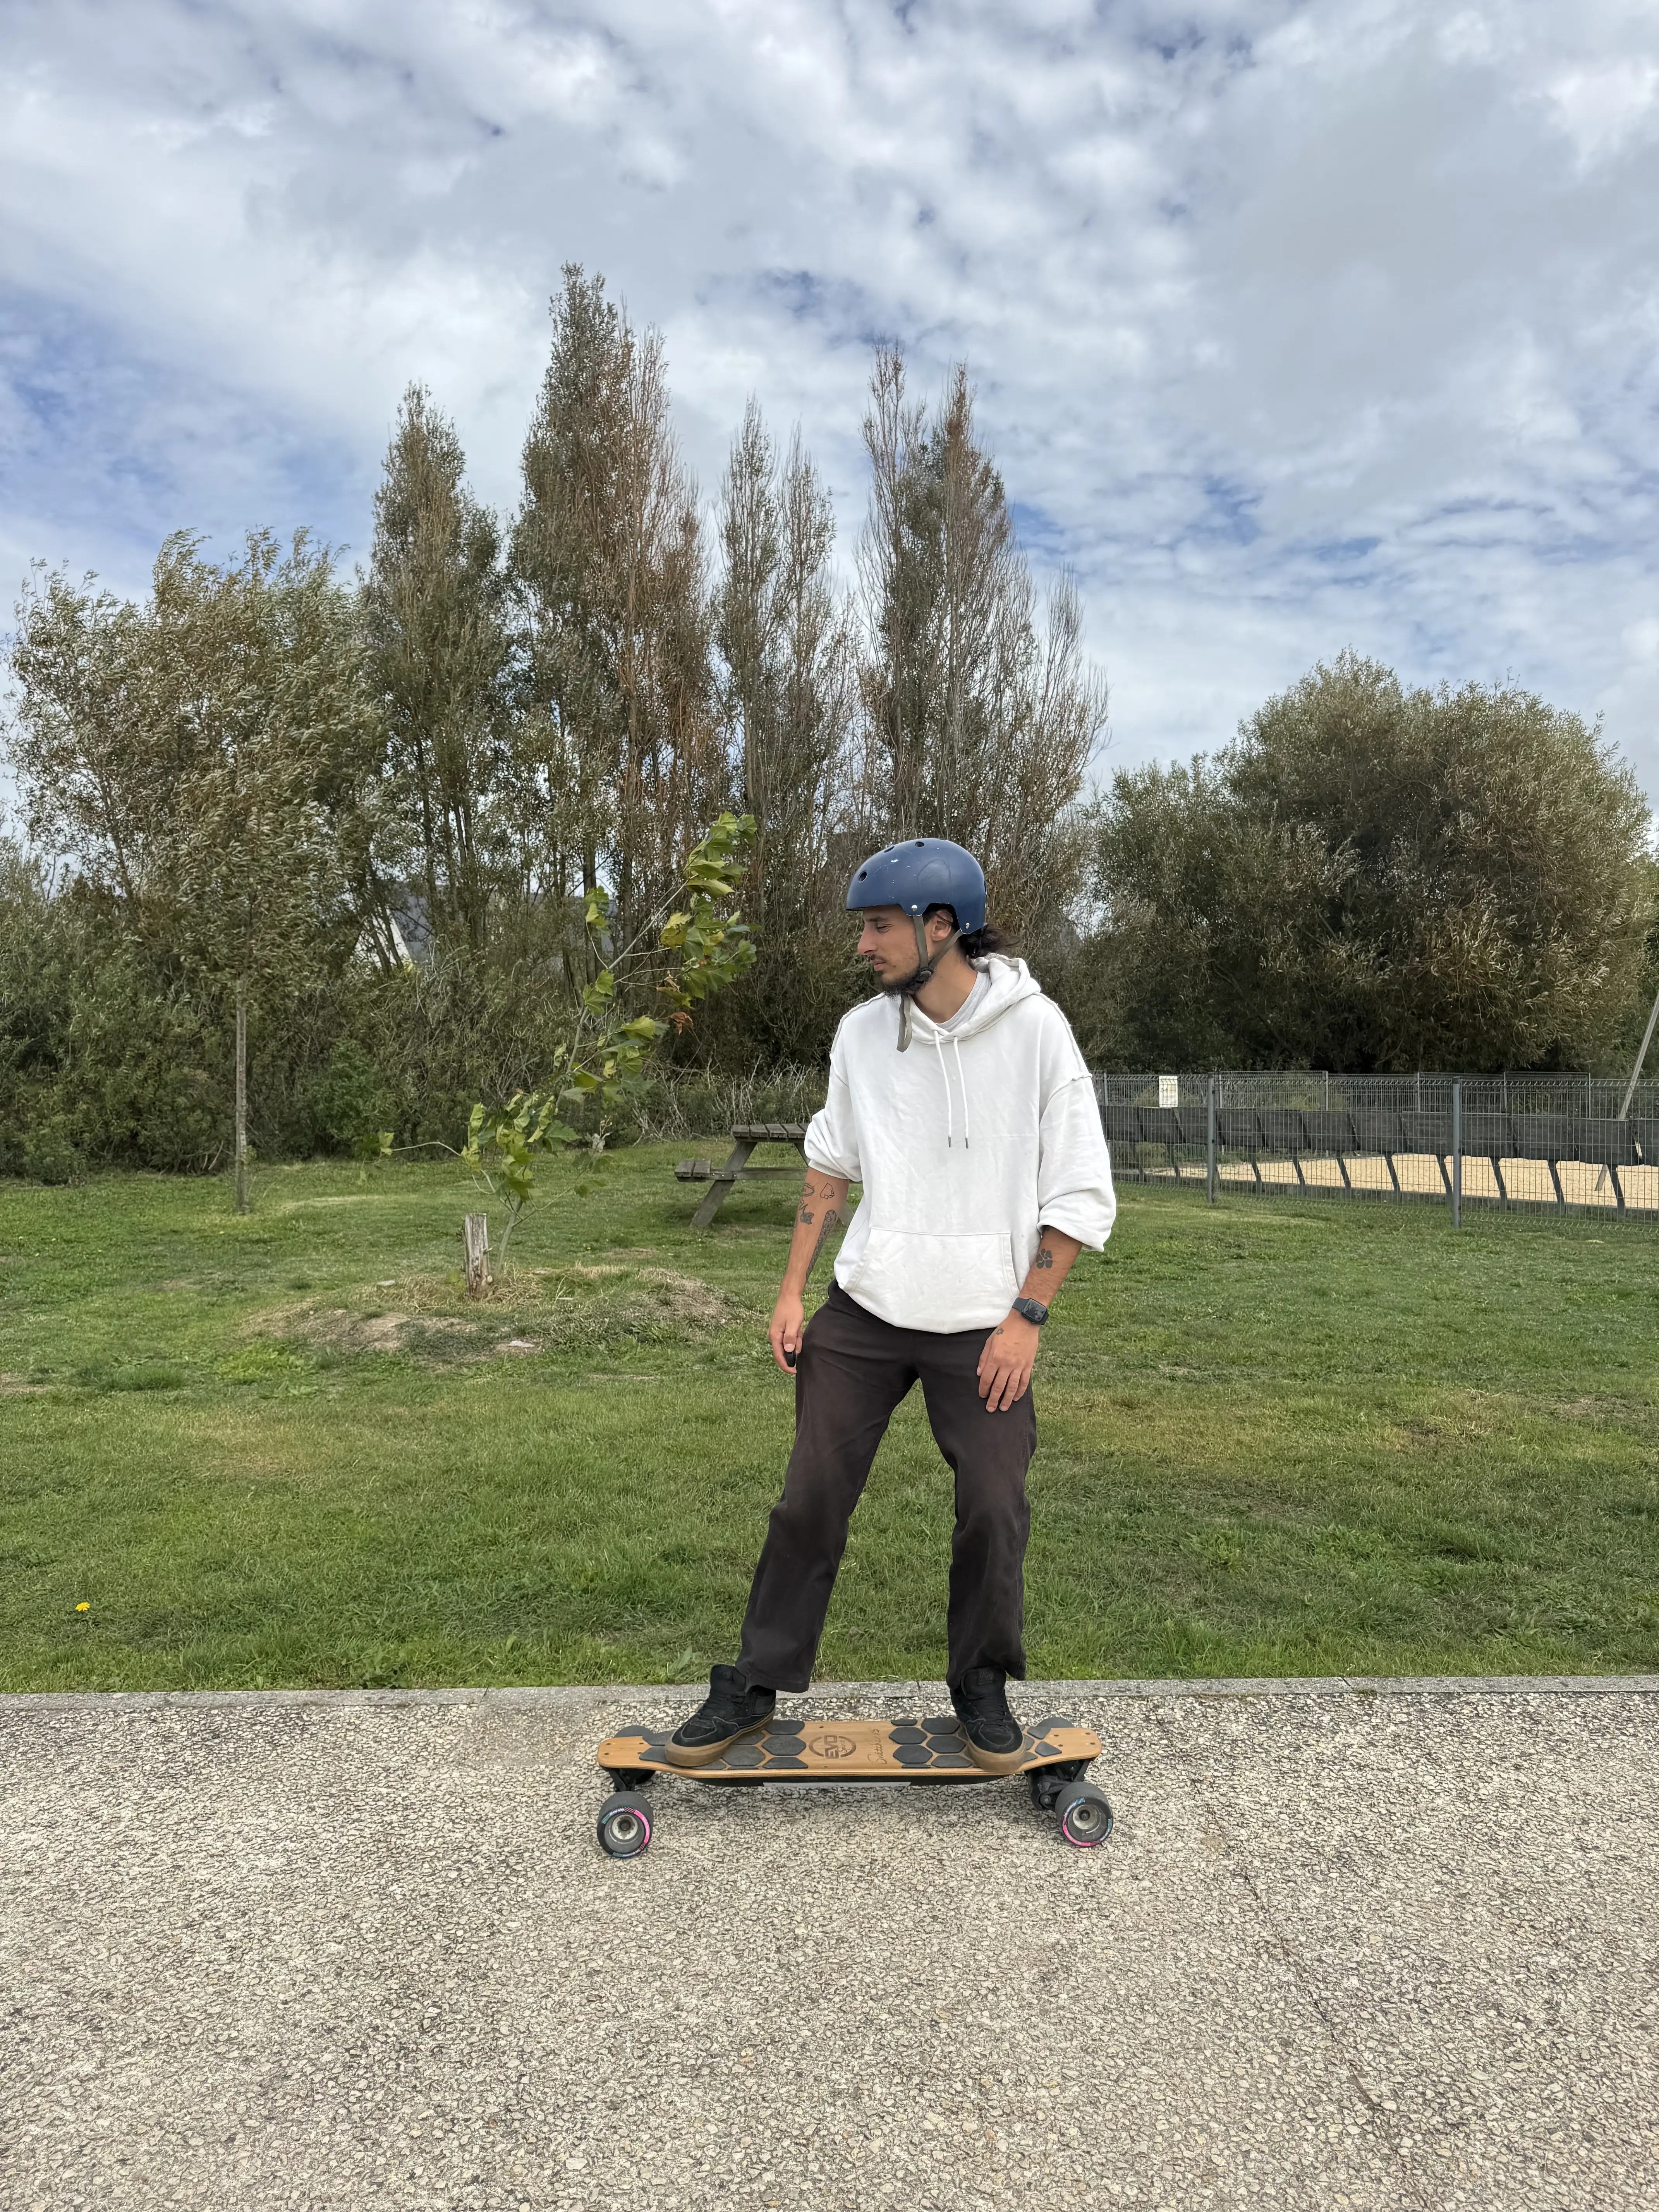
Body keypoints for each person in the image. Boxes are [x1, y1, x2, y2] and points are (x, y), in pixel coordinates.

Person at [666, 838, 1116, 1773]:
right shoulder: (862, 1034)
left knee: (994, 1504)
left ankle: (981, 1685)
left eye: (878, 926)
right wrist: (792, 1292)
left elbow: (1077, 1192)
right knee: (810, 1499)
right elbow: (831, 1164)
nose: (864, 945)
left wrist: (1025, 1319)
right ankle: (754, 1682)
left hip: (986, 1322)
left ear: (940, 928)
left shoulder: (1038, 1033)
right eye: (864, 927)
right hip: (868, 1310)